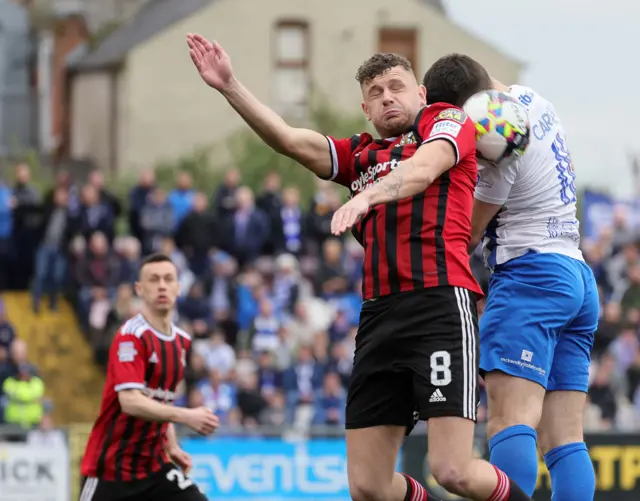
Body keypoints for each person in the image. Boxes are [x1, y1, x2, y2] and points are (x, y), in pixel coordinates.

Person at [187, 33, 533, 501]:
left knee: (452, 470)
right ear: (366, 110)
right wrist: (229, 85)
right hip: (378, 320)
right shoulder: (360, 155)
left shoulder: (448, 121)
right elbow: (290, 140)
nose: (387, 96)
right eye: (376, 92)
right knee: (367, 487)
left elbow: (423, 170)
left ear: (420, 94)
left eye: (396, 86)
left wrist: (367, 194)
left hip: (439, 307)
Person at [466, 78, 597, 500]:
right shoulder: (534, 101)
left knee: (509, 420)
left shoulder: (496, 145)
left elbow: (466, 235)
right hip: (575, 274)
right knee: (564, 439)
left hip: (530, 276)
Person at [79, 253, 219, 501]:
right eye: (153, 280)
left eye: (168, 279)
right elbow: (131, 401)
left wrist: (172, 444)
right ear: (140, 289)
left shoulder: (182, 342)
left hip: (153, 468)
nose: (162, 285)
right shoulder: (131, 336)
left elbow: (162, 398)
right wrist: (187, 415)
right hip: (112, 470)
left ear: (178, 287)